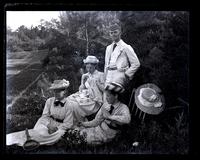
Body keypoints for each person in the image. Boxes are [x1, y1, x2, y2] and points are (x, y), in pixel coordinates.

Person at [6, 79, 75, 147]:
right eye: (55, 91)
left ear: (65, 91)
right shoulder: (49, 101)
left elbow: (68, 123)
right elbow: (45, 116)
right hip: (49, 122)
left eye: (59, 91)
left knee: (59, 133)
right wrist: (48, 125)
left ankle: (35, 140)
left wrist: (56, 128)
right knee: (41, 127)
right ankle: (26, 137)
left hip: (60, 125)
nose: (56, 93)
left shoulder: (69, 105)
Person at [67, 55, 105, 126]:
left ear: (95, 65)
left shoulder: (100, 75)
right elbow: (81, 90)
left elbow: (104, 90)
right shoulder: (85, 75)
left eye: (91, 66)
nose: (89, 67)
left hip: (94, 99)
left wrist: (96, 82)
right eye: (87, 65)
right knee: (68, 100)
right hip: (84, 95)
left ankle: (79, 122)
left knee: (75, 105)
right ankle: (69, 122)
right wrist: (83, 81)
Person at [104, 22, 140, 93]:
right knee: (107, 97)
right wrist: (105, 76)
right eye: (111, 33)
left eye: (115, 32)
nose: (113, 34)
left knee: (117, 97)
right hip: (108, 76)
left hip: (119, 75)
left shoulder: (126, 47)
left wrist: (126, 75)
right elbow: (106, 64)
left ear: (120, 32)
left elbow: (136, 63)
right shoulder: (108, 48)